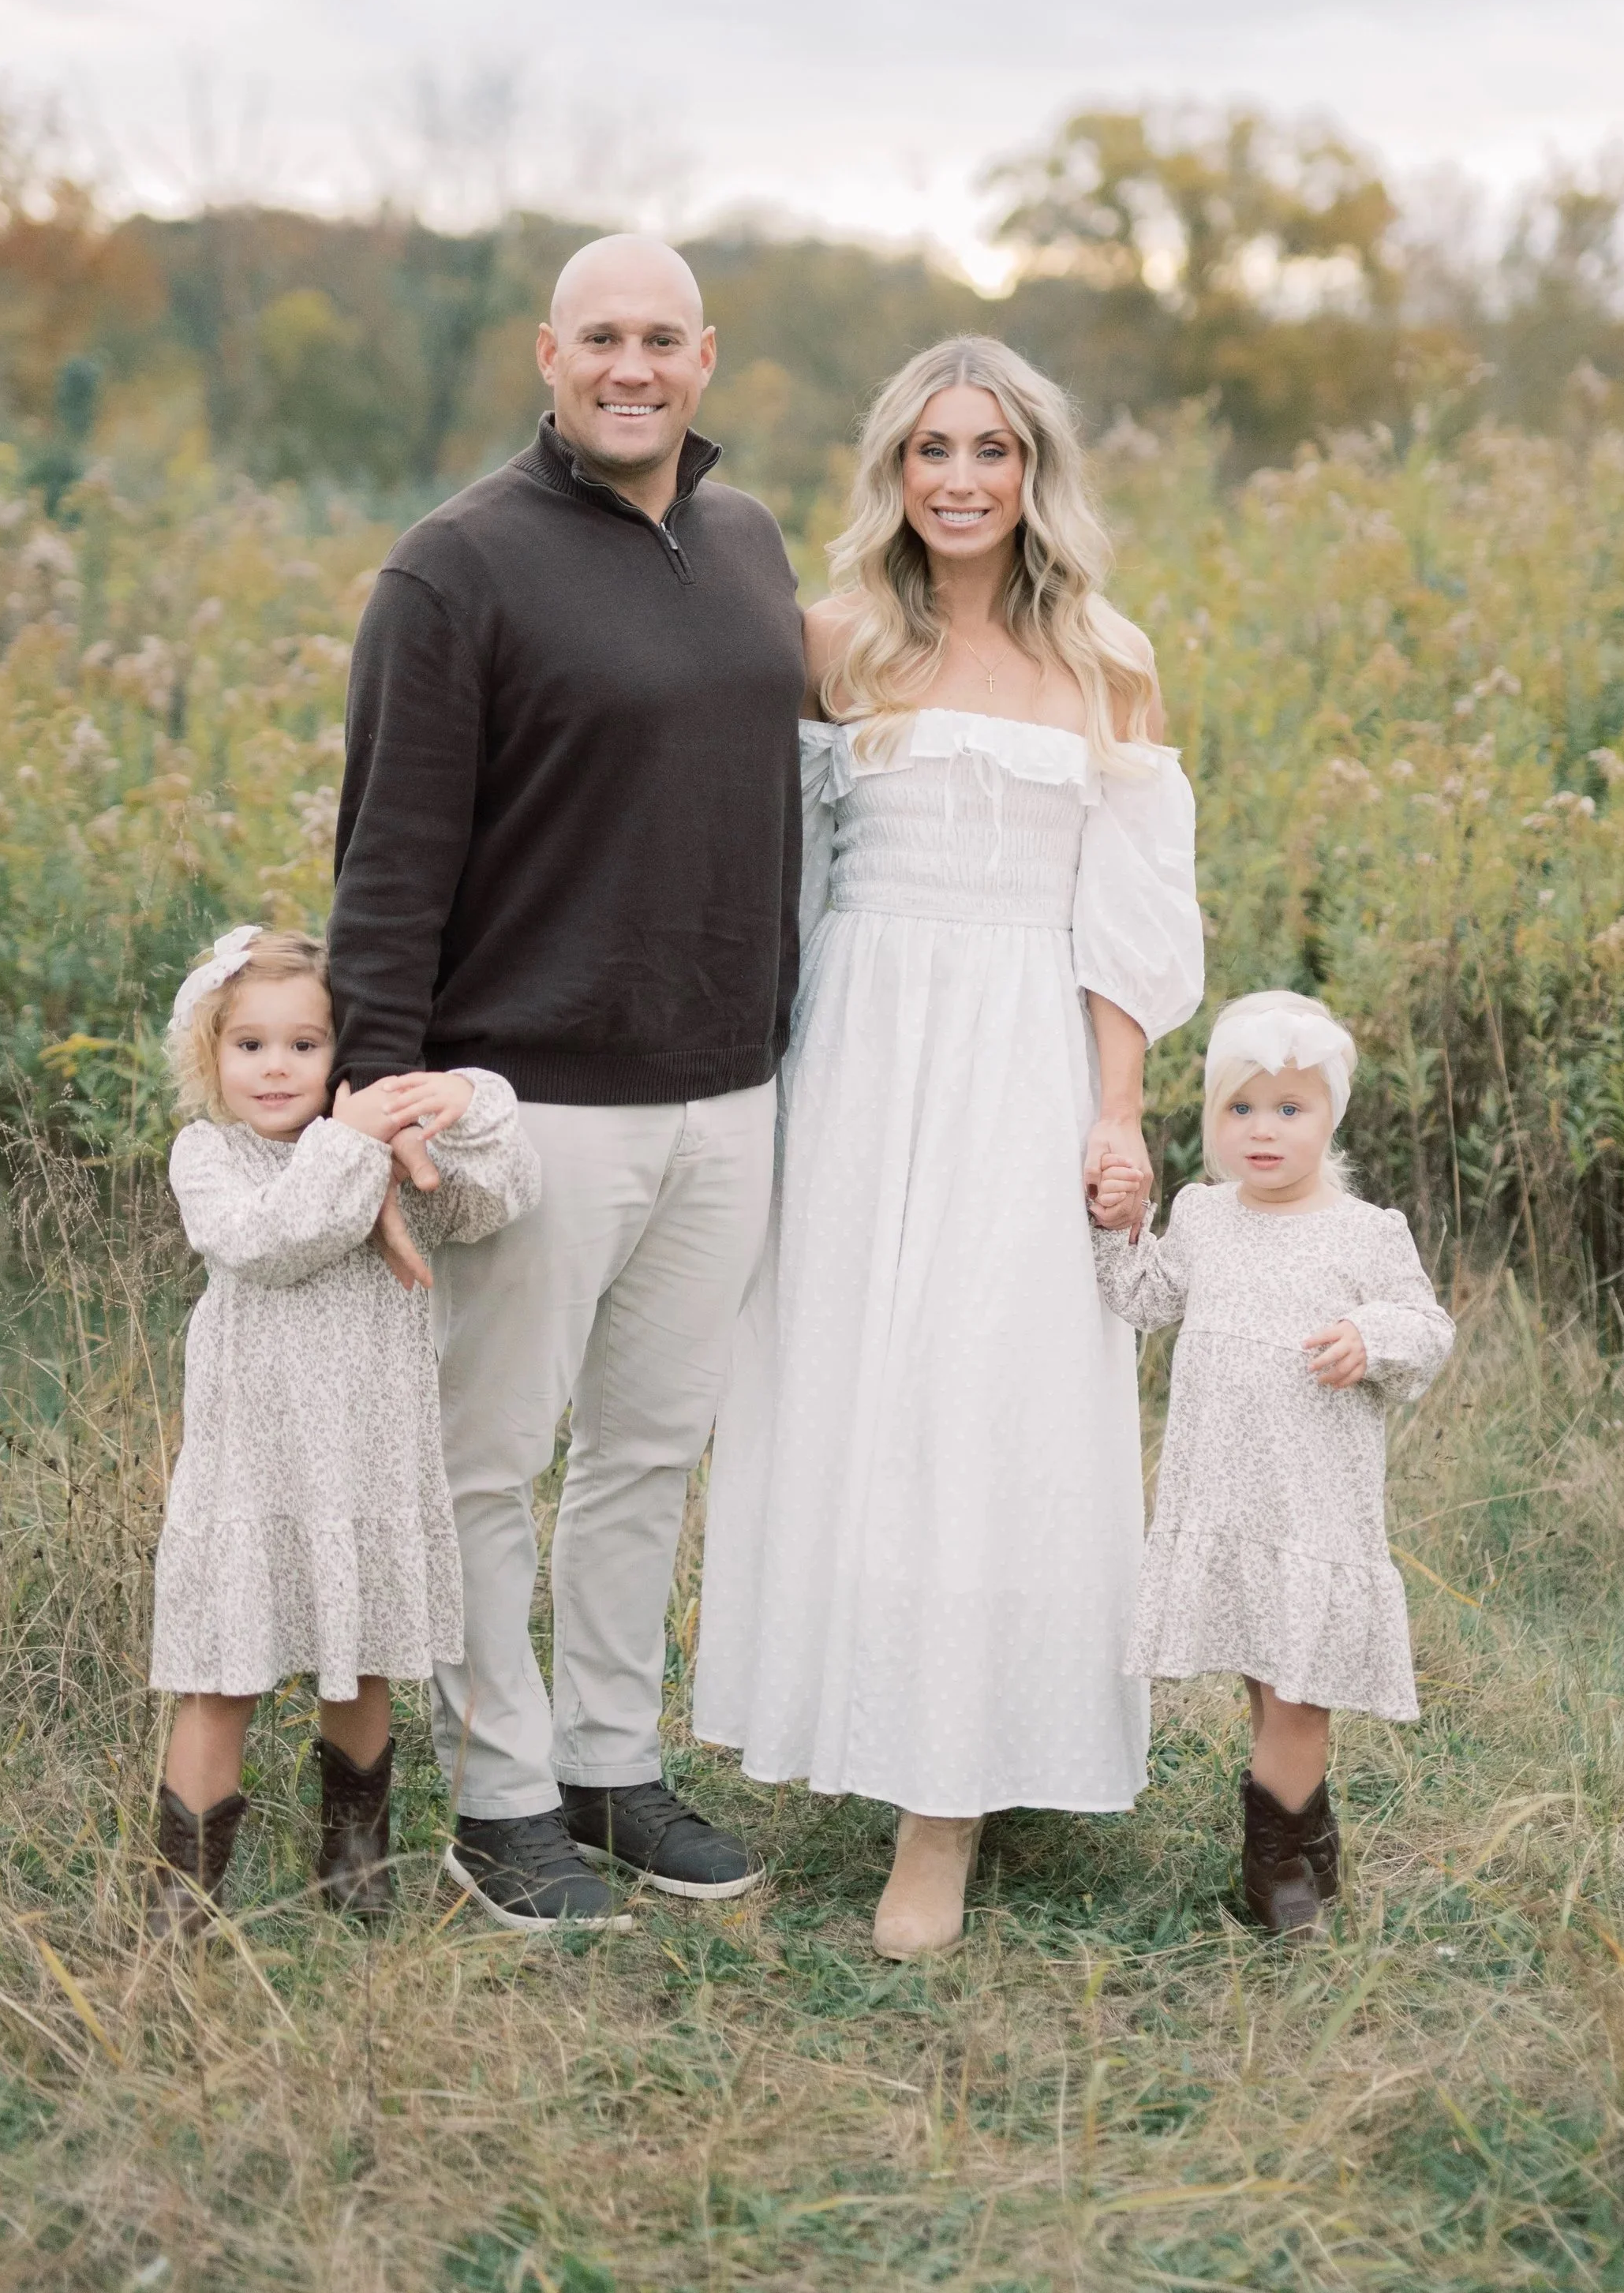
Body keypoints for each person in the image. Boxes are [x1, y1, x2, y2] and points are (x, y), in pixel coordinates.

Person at [694, 336, 1205, 1959]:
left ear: (1033, 471)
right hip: (855, 1053)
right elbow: (754, 855)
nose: (963, 478)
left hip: (1015, 1061)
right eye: (932, 450)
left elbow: (1121, 914)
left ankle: (950, 1807)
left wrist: (1115, 1117)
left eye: (992, 449)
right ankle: (862, 1714)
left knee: (993, 1395)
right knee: (858, 1387)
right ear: (894, 474)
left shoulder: (1106, 661)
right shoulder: (829, 644)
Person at [327, 235, 806, 1931]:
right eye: (598, 336)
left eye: (659, 339)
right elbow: (385, 864)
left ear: (703, 357)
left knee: (646, 1452)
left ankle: (610, 1762)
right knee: (490, 1457)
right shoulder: (455, 568)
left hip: (725, 1091)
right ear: (546, 352)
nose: (630, 366)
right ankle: (499, 1792)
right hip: (523, 1101)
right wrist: (380, 1111)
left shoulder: (750, 543)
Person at [144, 924, 539, 1937]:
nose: (276, 1066)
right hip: (254, 1473)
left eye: (305, 1045)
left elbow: (499, 1195)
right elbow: (271, 1243)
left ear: (346, 1055)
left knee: (361, 1661)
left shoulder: (387, 1155)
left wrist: (466, 1102)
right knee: (219, 1673)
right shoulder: (212, 1157)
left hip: (363, 1469)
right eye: (250, 1045)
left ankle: (356, 1877)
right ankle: (177, 1909)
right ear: (211, 1055)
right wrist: (353, 1141)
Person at [1090, 989, 1455, 1938]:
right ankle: (1308, 1830)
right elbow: (1141, 1295)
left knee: (1298, 1691)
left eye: (1288, 1110)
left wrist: (1366, 1337)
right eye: (1239, 1109)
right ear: (1213, 1117)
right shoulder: (1203, 1217)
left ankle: (1277, 1868)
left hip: (1312, 1509)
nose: (1262, 1132)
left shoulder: (1364, 1231)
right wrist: (1114, 1220)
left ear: (1328, 1113)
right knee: (1264, 1678)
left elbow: (1427, 1327)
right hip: (1223, 1492)